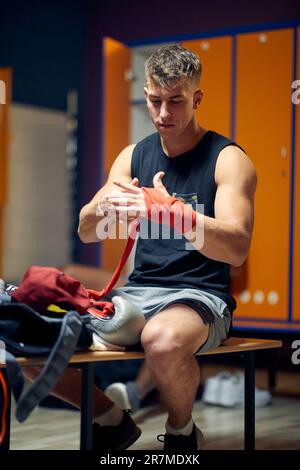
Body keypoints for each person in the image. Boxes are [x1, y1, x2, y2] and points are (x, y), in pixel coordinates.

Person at [27, 44, 257, 451]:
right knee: (32, 338)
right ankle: (110, 417)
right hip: (137, 295)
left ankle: (182, 433)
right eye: (155, 101)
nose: (164, 114)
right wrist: (99, 207)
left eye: (176, 101)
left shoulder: (227, 159)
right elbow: (87, 232)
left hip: (200, 296)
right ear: (147, 94)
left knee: (161, 339)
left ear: (197, 98)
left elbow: (237, 249)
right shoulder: (134, 156)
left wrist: (175, 213)